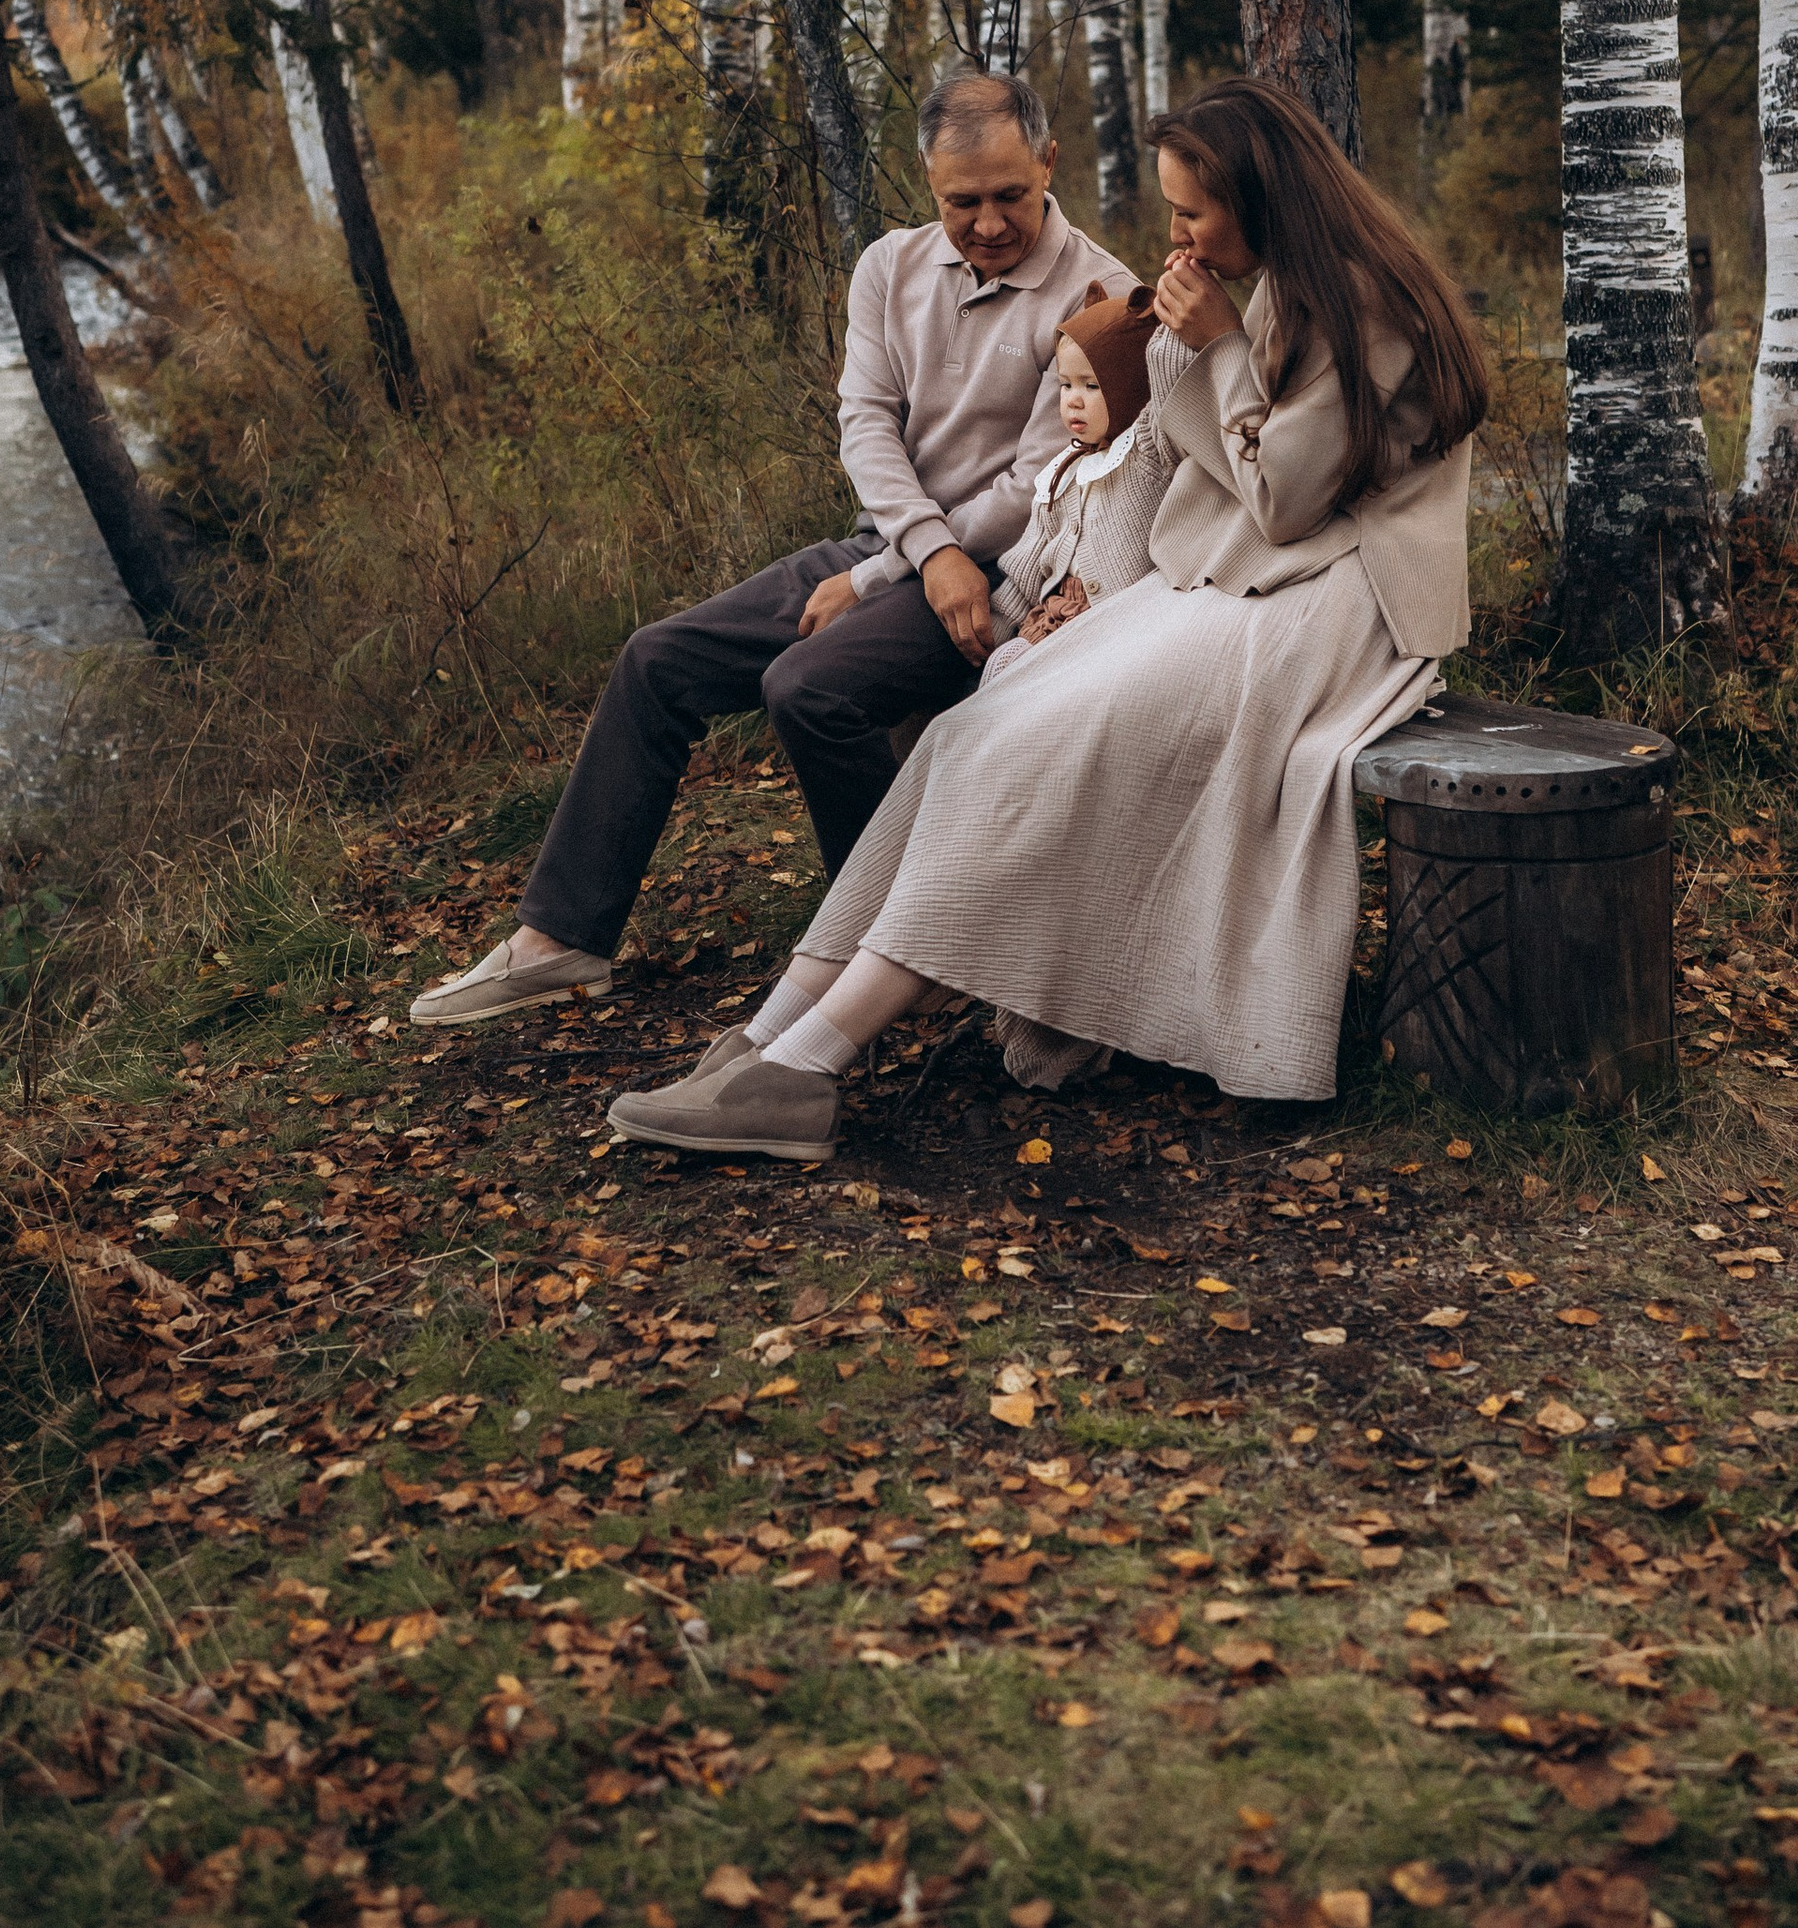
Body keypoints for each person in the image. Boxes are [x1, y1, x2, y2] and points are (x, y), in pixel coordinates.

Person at [605, 77, 1491, 1161]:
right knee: (974, 730)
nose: (1175, 236)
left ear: (1263, 200)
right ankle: (770, 1036)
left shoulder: (1368, 305)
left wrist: (1209, 351)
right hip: (1232, 584)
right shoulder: (1273, 288)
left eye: (1190, 213)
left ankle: (808, 1067)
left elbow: (1286, 495)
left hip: (1331, 609)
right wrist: (1191, 358)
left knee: (1039, 750)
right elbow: (1200, 469)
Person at [407, 68, 1137, 1028]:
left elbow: (1035, 488)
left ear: (1049, 162)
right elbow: (865, 423)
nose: (991, 223)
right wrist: (903, 556)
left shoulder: (1100, 294)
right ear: (927, 180)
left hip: (1006, 573)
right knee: (658, 659)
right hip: (903, 552)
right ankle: (562, 939)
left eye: (1012, 195)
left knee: (810, 689)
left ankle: (884, 946)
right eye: (964, 202)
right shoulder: (889, 267)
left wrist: (892, 570)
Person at [984, 287, 1172, 659]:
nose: (1072, 398)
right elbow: (1028, 562)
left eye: (1092, 385)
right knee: (1004, 666)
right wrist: (996, 627)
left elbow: (1168, 376)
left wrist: (1169, 314)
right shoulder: (1062, 471)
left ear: (1131, 386)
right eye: (1066, 384)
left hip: (1119, 623)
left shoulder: (1147, 449)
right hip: (1055, 615)